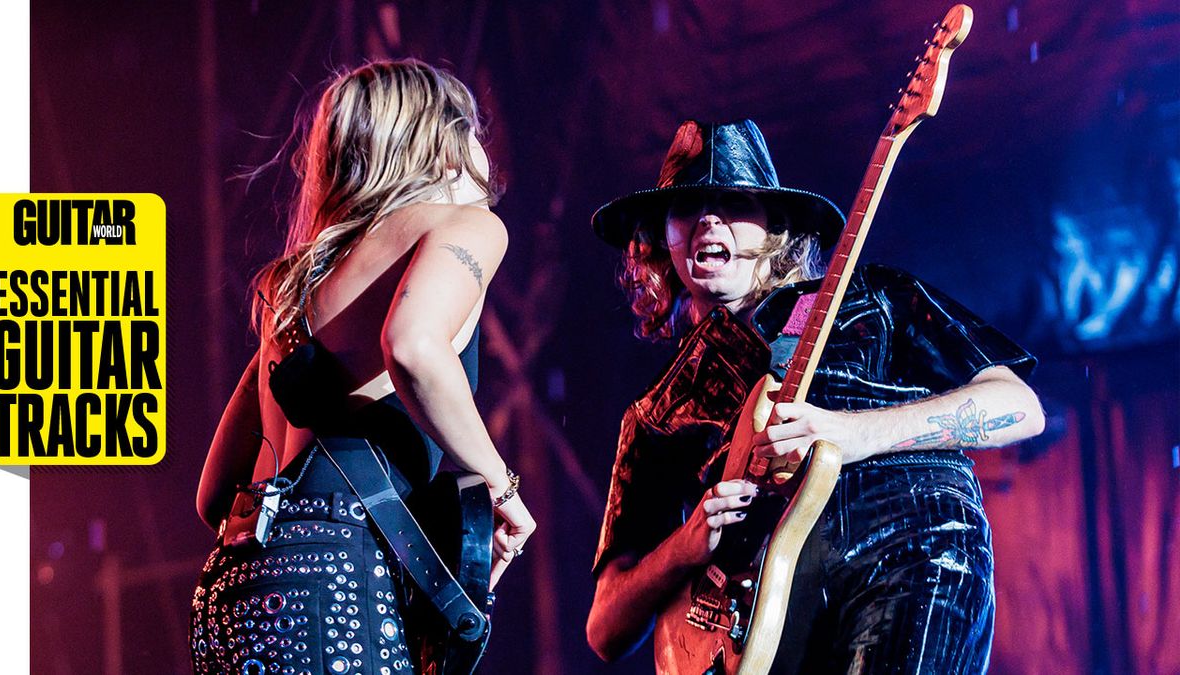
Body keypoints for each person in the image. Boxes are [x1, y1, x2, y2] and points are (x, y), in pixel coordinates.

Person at [585, 119, 1045, 673]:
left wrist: (854, 432)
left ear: (776, 225)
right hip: (765, 628)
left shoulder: (870, 296)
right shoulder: (657, 411)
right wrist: (686, 545)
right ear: (665, 240)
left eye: (732, 202)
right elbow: (605, 626)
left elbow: (1018, 406)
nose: (708, 218)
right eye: (688, 208)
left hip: (913, 555)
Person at [190, 59, 535, 675]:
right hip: (337, 586)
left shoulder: (292, 285)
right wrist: (499, 484)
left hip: (234, 595)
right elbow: (412, 346)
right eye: (474, 133)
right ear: (447, 144)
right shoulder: (467, 226)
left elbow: (214, 495)